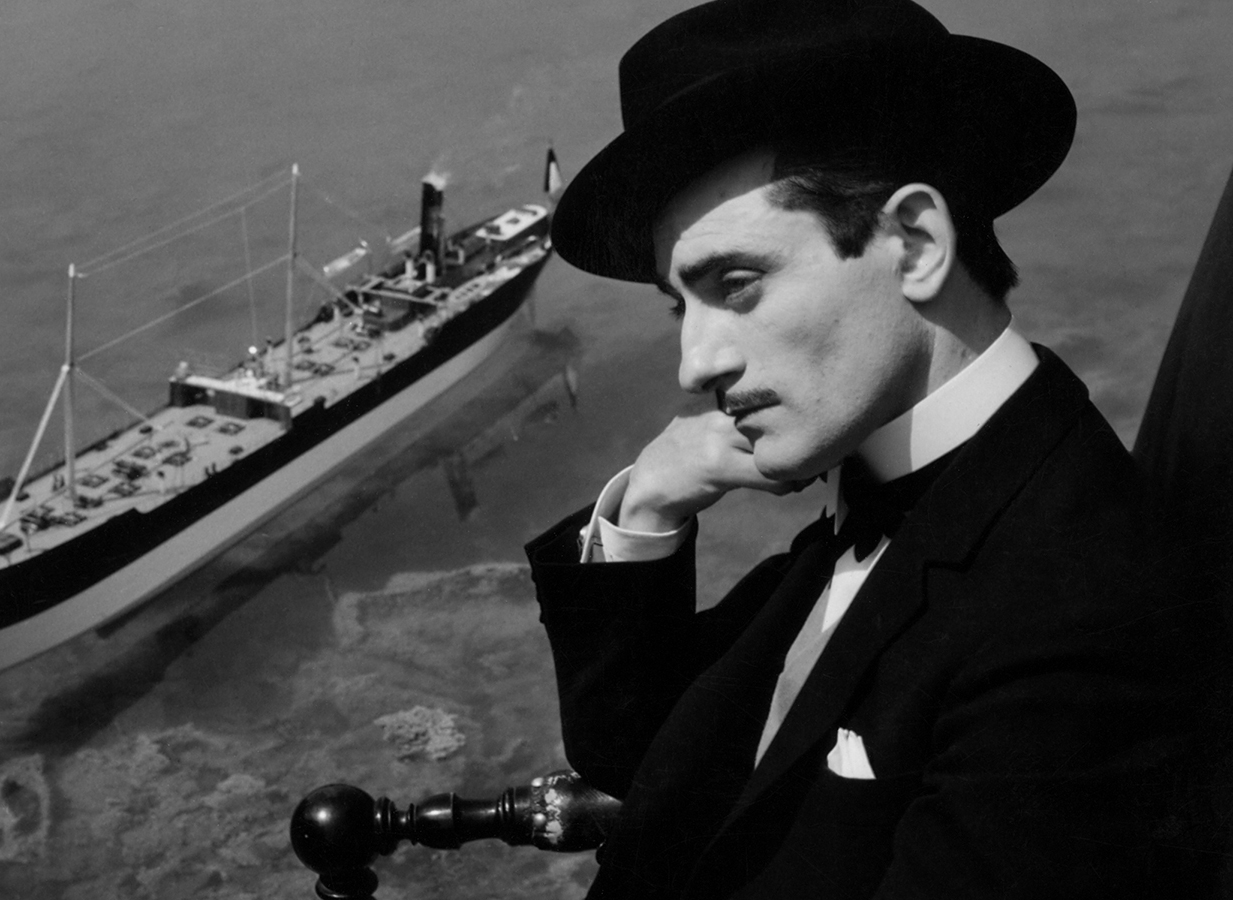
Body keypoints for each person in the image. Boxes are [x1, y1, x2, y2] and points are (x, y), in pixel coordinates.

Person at [526, 1, 1230, 897]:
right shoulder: (877, 492)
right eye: (681, 306)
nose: (693, 364)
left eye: (736, 284)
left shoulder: (1082, 604)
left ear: (918, 245)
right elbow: (654, 764)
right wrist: (647, 513)